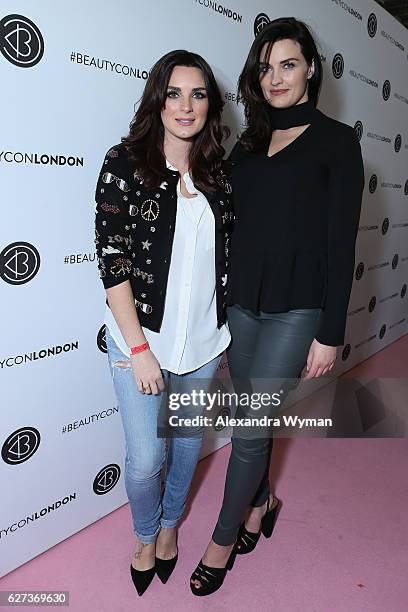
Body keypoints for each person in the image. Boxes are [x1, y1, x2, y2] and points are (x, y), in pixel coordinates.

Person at [190, 17, 364, 596]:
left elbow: (343, 245)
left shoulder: (338, 142)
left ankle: (220, 541)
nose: (275, 77)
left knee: (247, 426)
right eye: (265, 67)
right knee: (253, 423)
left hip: (298, 311)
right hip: (242, 305)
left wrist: (330, 331)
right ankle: (262, 502)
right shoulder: (249, 143)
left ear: (312, 68)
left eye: (288, 64)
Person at [94, 49, 232, 596]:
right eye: (174, 93)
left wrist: (226, 334)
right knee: (147, 455)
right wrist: (138, 349)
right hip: (140, 342)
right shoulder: (125, 162)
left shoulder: (221, 174)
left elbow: (234, 257)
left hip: (203, 344)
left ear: (210, 104)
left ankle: (171, 527)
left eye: (198, 94)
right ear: (157, 98)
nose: (186, 105)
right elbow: (113, 259)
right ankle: (144, 533)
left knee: (186, 444)